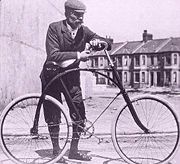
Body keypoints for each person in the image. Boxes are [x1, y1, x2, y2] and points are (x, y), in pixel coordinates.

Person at [40, 0, 111, 162]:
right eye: (76, 15)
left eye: (82, 15)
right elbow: (53, 55)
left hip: (71, 76)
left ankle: (74, 151)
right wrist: (79, 56)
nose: (80, 19)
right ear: (67, 13)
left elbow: (107, 43)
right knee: (53, 113)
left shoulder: (83, 31)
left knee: (78, 110)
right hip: (52, 75)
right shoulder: (54, 28)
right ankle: (56, 151)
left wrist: (100, 43)